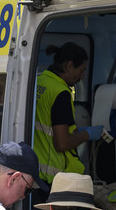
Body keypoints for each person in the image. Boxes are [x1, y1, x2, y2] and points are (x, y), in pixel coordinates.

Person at [33, 42, 100, 183]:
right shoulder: (61, 93)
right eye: (81, 70)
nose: (82, 76)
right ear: (69, 66)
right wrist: (87, 134)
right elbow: (62, 144)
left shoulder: (40, 82)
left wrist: (74, 131)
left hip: (35, 170)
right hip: (52, 178)